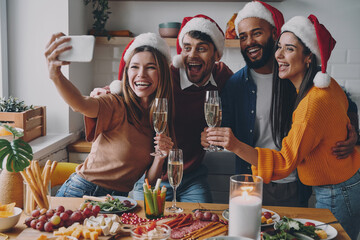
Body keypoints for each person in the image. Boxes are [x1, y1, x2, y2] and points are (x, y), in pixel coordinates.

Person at [205, 15, 360, 239]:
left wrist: (236, 145)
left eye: (289, 49)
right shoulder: (324, 85)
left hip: (335, 191)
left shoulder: (311, 103)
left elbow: (285, 162)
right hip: (343, 185)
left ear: (308, 57)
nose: (278, 55)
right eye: (280, 48)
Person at [93, 15, 233, 203]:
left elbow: (236, 107)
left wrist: (218, 132)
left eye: (202, 49)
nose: (192, 55)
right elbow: (136, 85)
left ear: (216, 55)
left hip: (192, 175)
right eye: (187, 48)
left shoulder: (223, 75)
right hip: (152, 176)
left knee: (202, 221)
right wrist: (109, 90)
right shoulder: (166, 76)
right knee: (148, 227)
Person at [45, 32, 175, 197]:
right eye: (134, 66)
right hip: (83, 192)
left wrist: (160, 158)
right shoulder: (116, 104)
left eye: (150, 67)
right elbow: (80, 104)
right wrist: (56, 75)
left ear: (162, 73)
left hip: (117, 201)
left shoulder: (158, 119)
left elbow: (148, 183)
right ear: (127, 72)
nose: (141, 74)